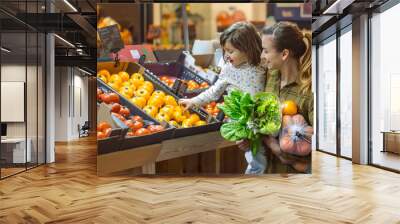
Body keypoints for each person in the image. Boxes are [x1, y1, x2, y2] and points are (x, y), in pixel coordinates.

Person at [179, 22, 267, 174]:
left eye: (230, 51)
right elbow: (214, 91)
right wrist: (193, 102)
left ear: (247, 49)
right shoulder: (228, 69)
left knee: (261, 160)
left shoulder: (261, 65)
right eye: (225, 50)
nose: (226, 55)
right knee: (256, 161)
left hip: (261, 121)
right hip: (243, 124)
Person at [238, 21, 313, 173]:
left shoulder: (308, 91)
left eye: (265, 51)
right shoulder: (269, 76)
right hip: (266, 172)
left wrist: (282, 152)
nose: (261, 56)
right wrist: (250, 140)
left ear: (284, 54)